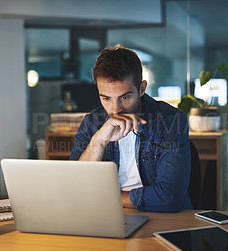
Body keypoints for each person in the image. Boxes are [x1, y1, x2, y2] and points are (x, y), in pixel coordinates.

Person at [70, 45, 192, 212]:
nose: (115, 109)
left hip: (158, 216)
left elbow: (168, 198)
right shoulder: (92, 123)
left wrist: (109, 197)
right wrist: (99, 140)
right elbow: (74, 186)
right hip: (105, 213)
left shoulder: (171, 121)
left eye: (125, 97)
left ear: (141, 89)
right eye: (106, 98)